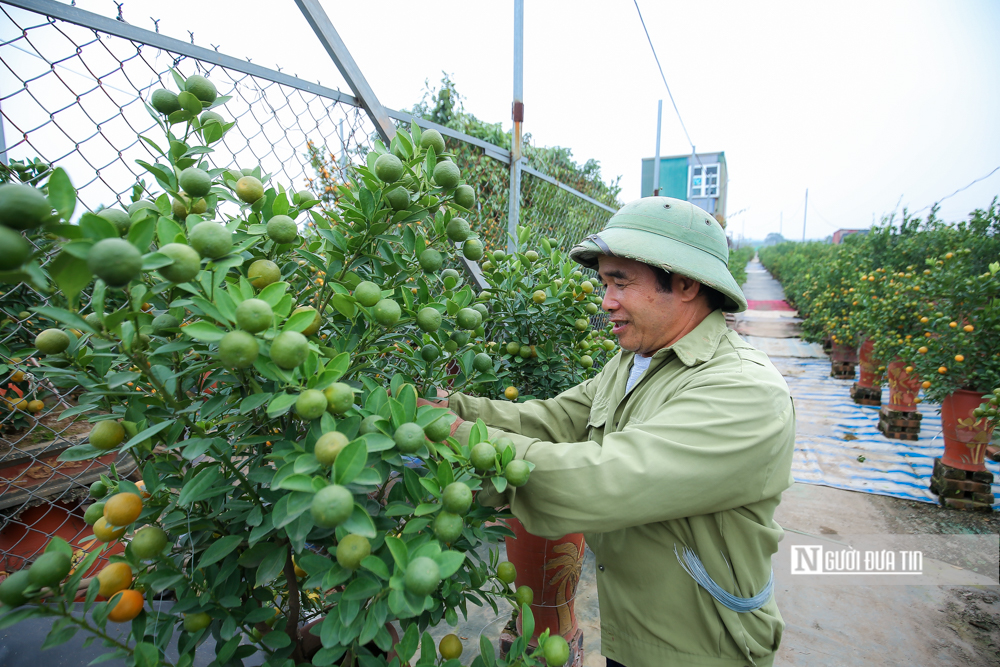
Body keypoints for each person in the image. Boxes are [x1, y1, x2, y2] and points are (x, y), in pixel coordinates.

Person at [426, 197, 795, 667]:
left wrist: (452, 434)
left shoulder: (745, 392)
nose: (606, 303)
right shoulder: (633, 361)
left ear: (684, 283)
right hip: (632, 632)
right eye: (604, 283)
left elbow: (600, 478)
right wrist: (443, 407)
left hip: (703, 647)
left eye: (620, 283)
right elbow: (554, 418)